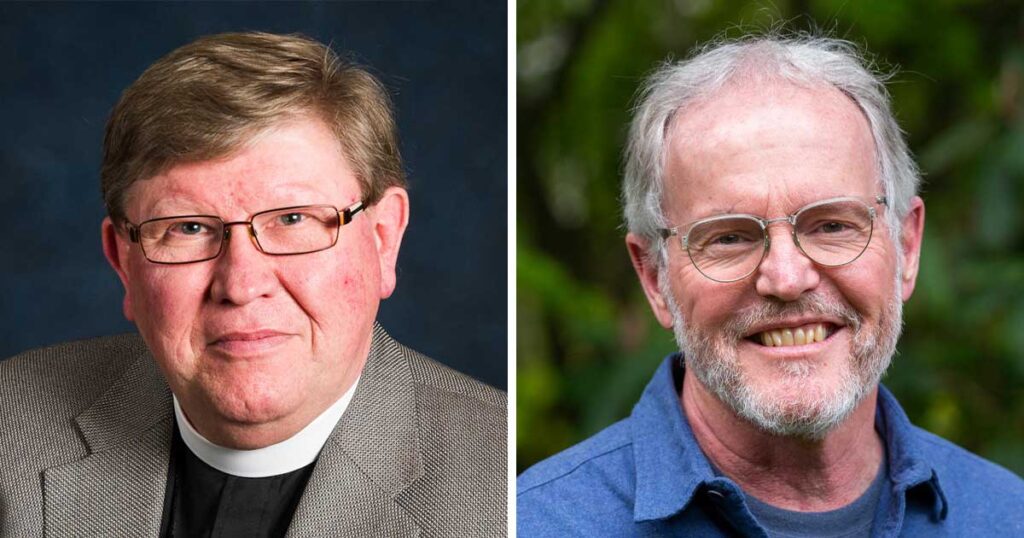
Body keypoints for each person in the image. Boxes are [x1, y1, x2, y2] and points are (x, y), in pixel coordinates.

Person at [0, 32, 505, 537]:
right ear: (123, 261)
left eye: (292, 219)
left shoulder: (501, 494)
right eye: (188, 228)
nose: (241, 284)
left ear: (382, 239)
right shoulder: (12, 429)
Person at [517, 34, 1024, 536]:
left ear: (907, 248)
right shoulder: (534, 523)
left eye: (832, 226)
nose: (786, 278)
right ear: (654, 277)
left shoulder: (1006, 517)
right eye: (730, 237)